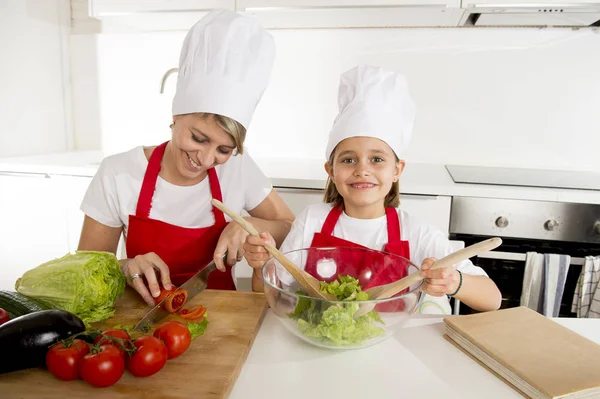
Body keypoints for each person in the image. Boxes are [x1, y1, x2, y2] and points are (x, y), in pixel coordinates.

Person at [78, 9, 295, 306]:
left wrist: (248, 225)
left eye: (223, 149)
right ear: (176, 115)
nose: (206, 159)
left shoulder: (239, 169)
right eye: (198, 138)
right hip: (138, 321)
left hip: (224, 318)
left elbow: (289, 226)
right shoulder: (118, 173)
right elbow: (85, 271)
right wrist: (126, 266)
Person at [244, 64, 502, 314]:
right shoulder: (312, 221)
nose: (362, 170)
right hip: (318, 342)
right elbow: (267, 297)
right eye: (348, 160)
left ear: (397, 170)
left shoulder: (417, 234)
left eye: (377, 159)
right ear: (331, 171)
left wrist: (455, 282)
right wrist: (259, 267)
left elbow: (492, 299)